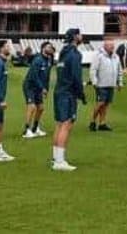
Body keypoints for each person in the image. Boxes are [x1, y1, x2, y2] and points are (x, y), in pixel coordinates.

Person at [52, 28, 87, 171]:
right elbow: (76, 77)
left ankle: (56, 158)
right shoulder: (75, 54)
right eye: (79, 34)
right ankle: (59, 161)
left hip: (59, 91)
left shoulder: (63, 53)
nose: (81, 36)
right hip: (68, 94)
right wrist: (82, 94)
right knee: (66, 125)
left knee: (60, 125)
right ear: (75, 37)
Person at [22, 41, 55, 139]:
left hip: (39, 87)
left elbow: (47, 77)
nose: (51, 48)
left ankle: (35, 128)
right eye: (49, 47)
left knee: (40, 108)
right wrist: (42, 88)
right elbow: (33, 76)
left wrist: (46, 89)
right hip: (30, 86)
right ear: (43, 48)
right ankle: (26, 130)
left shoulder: (48, 61)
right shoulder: (38, 60)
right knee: (32, 107)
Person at [89, 39, 124, 131]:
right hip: (101, 84)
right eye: (110, 46)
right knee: (100, 103)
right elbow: (93, 69)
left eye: (113, 45)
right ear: (105, 46)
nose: (112, 47)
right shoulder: (99, 56)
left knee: (106, 105)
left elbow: (119, 70)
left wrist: (119, 82)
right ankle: (92, 121)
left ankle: (102, 123)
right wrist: (94, 81)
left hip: (111, 84)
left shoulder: (116, 57)